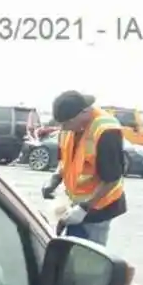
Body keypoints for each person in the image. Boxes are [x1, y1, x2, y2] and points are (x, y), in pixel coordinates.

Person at [40, 90, 126, 246]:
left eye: (67, 123)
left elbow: (112, 178)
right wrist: (55, 179)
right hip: (75, 205)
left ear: (83, 113)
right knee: (70, 251)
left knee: (89, 255)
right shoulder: (69, 129)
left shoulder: (106, 131)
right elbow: (66, 161)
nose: (64, 128)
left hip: (99, 207)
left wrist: (85, 208)